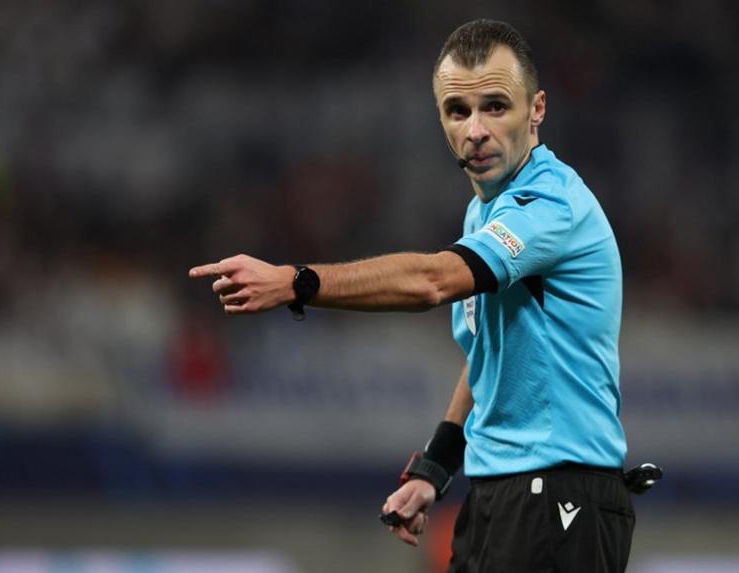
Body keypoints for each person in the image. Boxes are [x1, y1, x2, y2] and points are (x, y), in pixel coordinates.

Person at [190, 19, 635, 572]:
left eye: (496, 106)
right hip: (499, 491)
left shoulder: (551, 204)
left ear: (537, 109)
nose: (475, 129)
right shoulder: (485, 214)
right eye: (458, 111)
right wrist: (436, 466)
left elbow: (432, 280)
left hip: (562, 495)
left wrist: (296, 281)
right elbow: (488, 359)